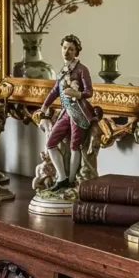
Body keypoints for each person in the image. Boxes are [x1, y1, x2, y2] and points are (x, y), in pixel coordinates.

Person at [39, 35, 97, 190]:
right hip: (66, 112)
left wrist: (77, 94)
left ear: (76, 51)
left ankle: (71, 181)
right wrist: (44, 107)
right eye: (64, 48)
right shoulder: (63, 70)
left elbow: (89, 91)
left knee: (74, 146)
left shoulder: (82, 69)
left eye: (71, 49)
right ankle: (62, 177)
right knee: (51, 143)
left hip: (78, 112)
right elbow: (55, 91)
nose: (67, 51)